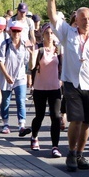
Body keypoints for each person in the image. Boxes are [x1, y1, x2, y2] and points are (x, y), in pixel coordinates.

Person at [47, 0, 89, 172]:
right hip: (72, 83)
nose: (87, 21)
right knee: (76, 120)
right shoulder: (67, 33)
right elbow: (53, 17)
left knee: (87, 123)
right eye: (83, 18)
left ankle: (80, 154)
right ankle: (71, 153)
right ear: (77, 19)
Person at [30, 24, 63, 156]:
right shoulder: (39, 49)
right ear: (42, 35)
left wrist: (62, 80)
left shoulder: (58, 50)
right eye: (47, 33)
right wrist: (32, 54)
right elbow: (32, 66)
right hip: (40, 88)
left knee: (56, 117)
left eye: (51, 33)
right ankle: (34, 136)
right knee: (40, 115)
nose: (49, 35)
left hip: (55, 88)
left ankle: (55, 146)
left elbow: (63, 66)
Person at [0, 21, 32, 137]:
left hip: (20, 77)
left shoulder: (25, 45)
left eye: (18, 31)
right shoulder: (5, 44)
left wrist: (31, 51)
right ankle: (6, 124)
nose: (16, 33)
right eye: (14, 31)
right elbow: (0, 61)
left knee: (21, 100)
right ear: (10, 31)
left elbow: (28, 63)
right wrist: (7, 76)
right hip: (6, 76)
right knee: (6, 101)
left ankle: (22, 125)